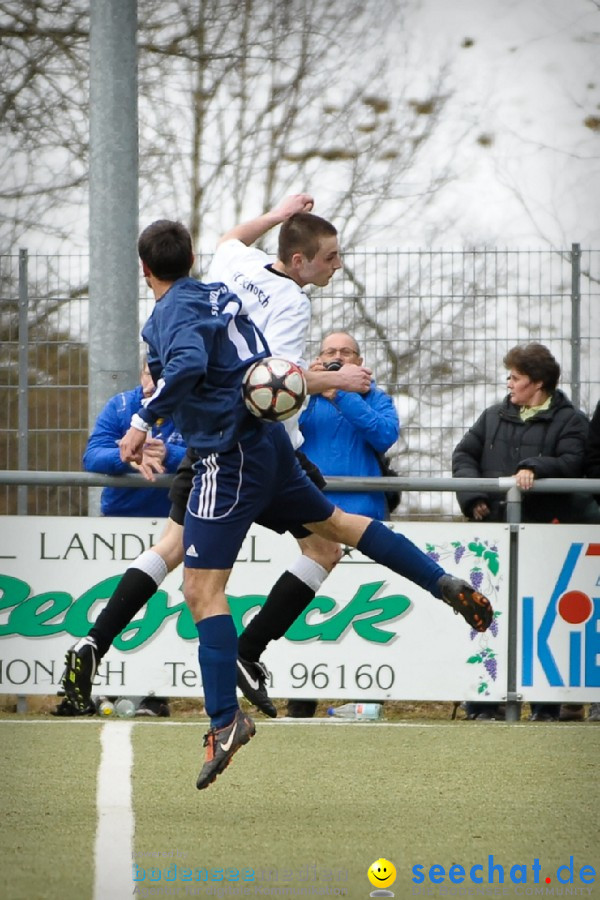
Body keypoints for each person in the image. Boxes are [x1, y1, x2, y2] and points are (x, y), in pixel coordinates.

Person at [65, 218, 492, 790]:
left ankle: (223, 720)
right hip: (271, 442)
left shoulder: (169, 314)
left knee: (200, 589)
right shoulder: (219, 287)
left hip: (228, 456)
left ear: (145, 271)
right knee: (335, 527)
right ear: (193, 257)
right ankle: (440, 581)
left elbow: (191, 366)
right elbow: (248, 368)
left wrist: (143, 419)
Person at [63, 196, 374, 724]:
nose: (336, 264)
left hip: (210, 439)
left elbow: (232, 236)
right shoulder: (292, 304)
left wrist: (277, 214)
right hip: (259, 447)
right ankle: (246, 654)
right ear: (299, 260)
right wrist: (337, 380)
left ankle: (93, 643)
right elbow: (274, 380)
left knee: (172, 547)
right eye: (330, 256)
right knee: (323, 546)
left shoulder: (234, 262)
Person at [452, 342, 591, 722]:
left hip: (544, 536)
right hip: (492, 538)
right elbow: (464, 455)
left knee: (542, 619)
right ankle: (483, 704)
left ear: (538, 383)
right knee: (485, 617)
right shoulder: (493, 415)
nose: (509, 383)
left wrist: (533, 467)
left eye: (515, 377)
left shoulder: (570, 421)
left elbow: (571, 461)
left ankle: (545, 707)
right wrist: (476, 496)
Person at [287, 331, 400, 717]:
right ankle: (300, 698)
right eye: (329, 352)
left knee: (362, 606)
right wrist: (311, 384)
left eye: (345, 353)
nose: (336, 357)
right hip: (310, 519)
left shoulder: (374, 397)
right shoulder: (301, 395)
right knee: (307, 603)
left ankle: (364, 697)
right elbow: (278, 430)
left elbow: (384, 435)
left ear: (359, 361)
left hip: (363, 520)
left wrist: (341, 393)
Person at [83, 359, 186, 517]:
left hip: (179, 518)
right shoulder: (119, 405)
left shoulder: (193, 408)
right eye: (148, 375)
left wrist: (168, 454)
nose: (153, 385)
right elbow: (92, 457)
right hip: (121, 516)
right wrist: (129, 456)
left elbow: (211, 457)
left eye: (162, 378)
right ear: (140, 375)